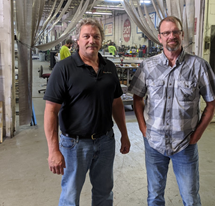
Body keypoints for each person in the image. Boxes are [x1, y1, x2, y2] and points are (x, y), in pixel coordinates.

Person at [128, 16, 215, 206]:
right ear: (160, 37)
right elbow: (137, 98)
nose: (171, 36)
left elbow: (212, 102)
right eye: (166, 33)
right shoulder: (148, 66)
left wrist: (198, 134)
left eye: (175, 32)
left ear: (182, 35)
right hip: (154, 143)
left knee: (191, 197)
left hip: (185, 144)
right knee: (154, 197)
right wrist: (143, 128)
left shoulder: (199, 66)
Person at [44, 18, 130, 206]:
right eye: (86, 36)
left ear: (101, 40)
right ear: (78, 40)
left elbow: (116, 104)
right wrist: (53, 150)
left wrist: (124, 134)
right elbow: (51, 111)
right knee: (70, 195)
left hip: (105, 141)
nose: (91, 40)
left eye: (96, 36)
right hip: (74, 145)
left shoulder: (110, 67)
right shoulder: (64, 68)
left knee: (104, 193)